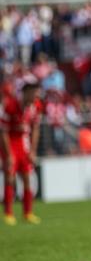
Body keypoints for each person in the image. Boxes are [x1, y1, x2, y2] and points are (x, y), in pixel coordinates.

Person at [2, 75, 42, 225]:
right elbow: (3, 131)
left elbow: (36, 129)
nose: (36, 96)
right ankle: (8, 213)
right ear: (26, 92)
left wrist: (32, 150)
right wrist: (8, 154)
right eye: (34, 93)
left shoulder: (36, 106)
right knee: (10, 178)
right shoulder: (11, 105)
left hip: (24, 145)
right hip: (11, 144)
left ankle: (28, 212)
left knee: (27, 178)